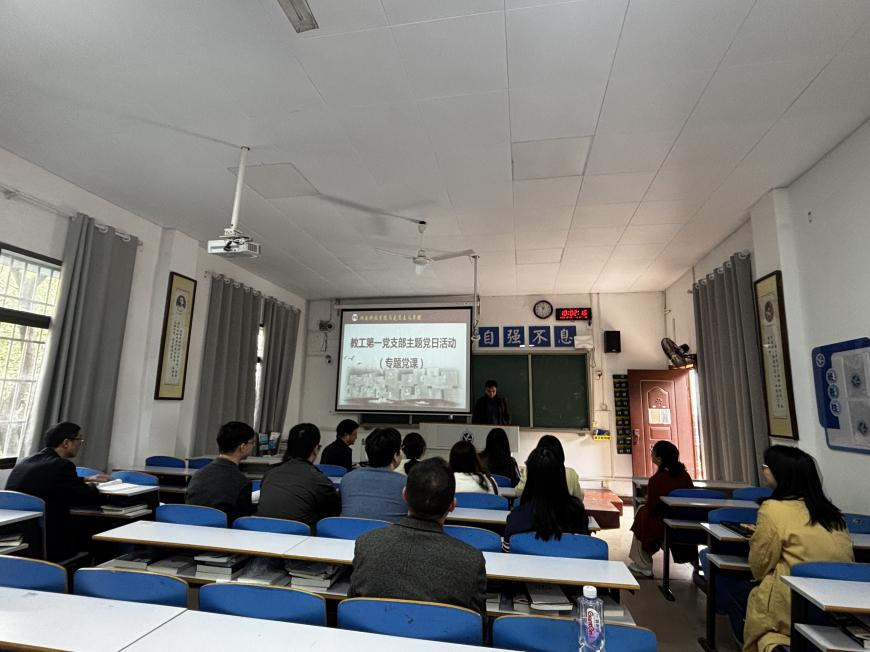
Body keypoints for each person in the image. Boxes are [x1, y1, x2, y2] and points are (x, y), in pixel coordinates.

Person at [742, 446, 853, 652]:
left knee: (739, 590)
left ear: (781, 474)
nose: (763, 470)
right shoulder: (831, 512)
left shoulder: (773, 509)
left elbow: (759, 566)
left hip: (795, 604)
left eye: (766, 466)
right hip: (841, 605)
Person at [348, 458, 487, 615]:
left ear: (404, 495)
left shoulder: (367, 544)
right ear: (452, 505)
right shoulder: (471, 561)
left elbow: (353, 605)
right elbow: (478, 623)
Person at [5, 422, 109, 561]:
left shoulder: (25, 462)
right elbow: (85, 496)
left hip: (19, 538)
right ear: (66, 443)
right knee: (101, 525)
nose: (80, 444)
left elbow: (50, 482)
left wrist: (84, 479)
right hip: (50, 542)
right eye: (79, 439)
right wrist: (94, 486)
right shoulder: (62, 465)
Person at [627, 440, 694, 577]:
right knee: (642, 513)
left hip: (663, 525)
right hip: (686, 524)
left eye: (653, 452)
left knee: (641, 516)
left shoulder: (657, 480)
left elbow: (651, 508)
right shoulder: (685, 476)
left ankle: (644, 565)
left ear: (659, 458)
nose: (651, 454)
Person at [257, 423, 340, 530]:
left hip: (263, 532)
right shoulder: (318, 478)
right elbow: (334, 512)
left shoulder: (271, 473)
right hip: (299, 535)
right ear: (315, 448)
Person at [503, 447, 589, 551]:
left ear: (529, 481)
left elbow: (507, 555)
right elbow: (584, 549)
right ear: (562, 476)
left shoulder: (516, 518)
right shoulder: (578, 512)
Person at [185, 421, 255, 524]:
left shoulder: (197, 475)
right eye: (252, 442)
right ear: (242, 447)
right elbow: (242, 522)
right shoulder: (242, 482)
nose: (253, 446)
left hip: (190, 529)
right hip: (221, 532)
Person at [340, 428, 406, 523]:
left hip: (347, 531)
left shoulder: (348, 478)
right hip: (389, 532)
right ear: (395, 455)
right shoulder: (406, 483)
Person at [516, 435, 584, 501]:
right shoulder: (571, 473)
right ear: (560, 453)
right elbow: (579, 498)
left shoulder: (529, 470)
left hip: (534, 508)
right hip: (562, 508)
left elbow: (518, 492)